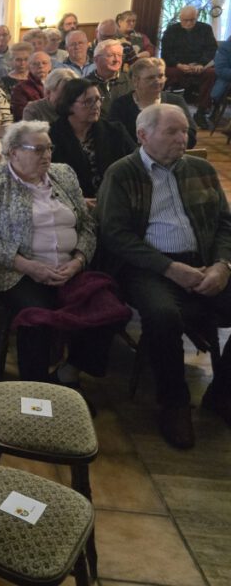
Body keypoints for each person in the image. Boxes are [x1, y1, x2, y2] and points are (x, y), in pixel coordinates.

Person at [97, 104, 231, 447]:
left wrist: (222, 265)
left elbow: (224, 224)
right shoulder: (123, 173)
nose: (182, 138)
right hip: (148, 267)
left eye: (184, 130)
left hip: (203, 262)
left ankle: (222, 392)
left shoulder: (200, 169)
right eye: (171, 131)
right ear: (144, 135)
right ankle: (174, 402)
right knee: (162, 314)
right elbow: (115, 235)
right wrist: (169, 268)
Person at [0, 122, 123, 384]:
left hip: (69, 267)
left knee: (109, 309)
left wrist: (78, 261)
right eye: (38, 149)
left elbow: (87, 225)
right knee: (38, 319)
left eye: (49, 148)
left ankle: (69, 372)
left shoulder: (63, 174)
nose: (47, 155)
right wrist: (28, 266)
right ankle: (36, 391)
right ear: (13, 152)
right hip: (17, 271)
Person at [49, 79, 136, 201]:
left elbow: (135, 163)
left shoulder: (115, 131)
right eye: (88, 102)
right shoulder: (51, 136)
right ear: (69, 105)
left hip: (115, 200)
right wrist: (79, 201)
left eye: (98, 100)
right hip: (70, 204)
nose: (96, 106)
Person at [110, 58, 196, 149]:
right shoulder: (121, 105)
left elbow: (191, 135)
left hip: (171, 155)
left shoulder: (175, 101)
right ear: (136, 81)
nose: (157, 81)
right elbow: (116, 137)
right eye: (150, 78)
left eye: (161, 76)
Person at [160, 5, 218, 125]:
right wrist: (178, 64)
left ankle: (201, 112)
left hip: (199, 66)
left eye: (192, 20)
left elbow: (211, 49)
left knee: (212, 74)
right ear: (180, 19)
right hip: (178, 66)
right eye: (186, 20)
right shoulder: (172, 30)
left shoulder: (205, 29)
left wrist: (201, 64)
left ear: (196, 18)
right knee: (167, 73)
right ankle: (169, 109)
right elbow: (165, 52)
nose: (189, 23)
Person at [85, 39, 133, 117]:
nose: (117, 60)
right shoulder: (85, 84)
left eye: (119, 55)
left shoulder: (131, 82)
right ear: (96, 59)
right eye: (111, 55)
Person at [11, 50, 50, 120]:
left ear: (50, 66)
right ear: (29, 67)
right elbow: (21, 113)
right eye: (35, 64)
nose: (41, 66)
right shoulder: (20, 88)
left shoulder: (58, 84)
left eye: (44, 63)